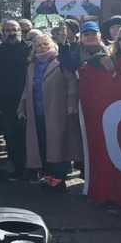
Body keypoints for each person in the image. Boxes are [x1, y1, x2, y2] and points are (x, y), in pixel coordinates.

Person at [17, 35, 82, 192]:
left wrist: (71, 104)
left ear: (52, 44)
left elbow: (71, 83)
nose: (42, 47)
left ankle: (59, 180)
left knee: (58, 146)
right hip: (36, 113)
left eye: (45, 43)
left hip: (56, 111)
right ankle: (48, 177)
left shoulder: (61, 62)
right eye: (38, 45)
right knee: (43, 146)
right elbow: (27, 89)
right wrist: (21, 108)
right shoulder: (31, 66)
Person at [0, 20, 31, 181]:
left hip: (29, 99)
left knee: (30, 135)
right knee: (11, 136)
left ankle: (33, 168)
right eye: (8, 30)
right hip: (7, 102)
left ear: (20, 31)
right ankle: (18, 167)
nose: (12, 33)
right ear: (3, 33)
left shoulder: (30, 49)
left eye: (14, 30)